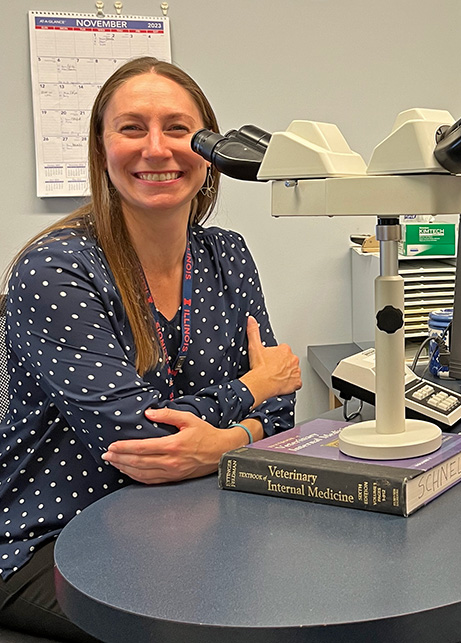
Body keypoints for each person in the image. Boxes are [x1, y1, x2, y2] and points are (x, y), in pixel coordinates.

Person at [0, 57, 302, 642]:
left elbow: (281, 416)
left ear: (210, 148)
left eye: (179, 129)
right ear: (101, 147)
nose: (157, 148)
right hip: (53, 537)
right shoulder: (57, 268)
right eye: (132, 128)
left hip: (195, 519)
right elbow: (139, 443)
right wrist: (251, 390)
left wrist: (231, 440)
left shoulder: (226, 255)